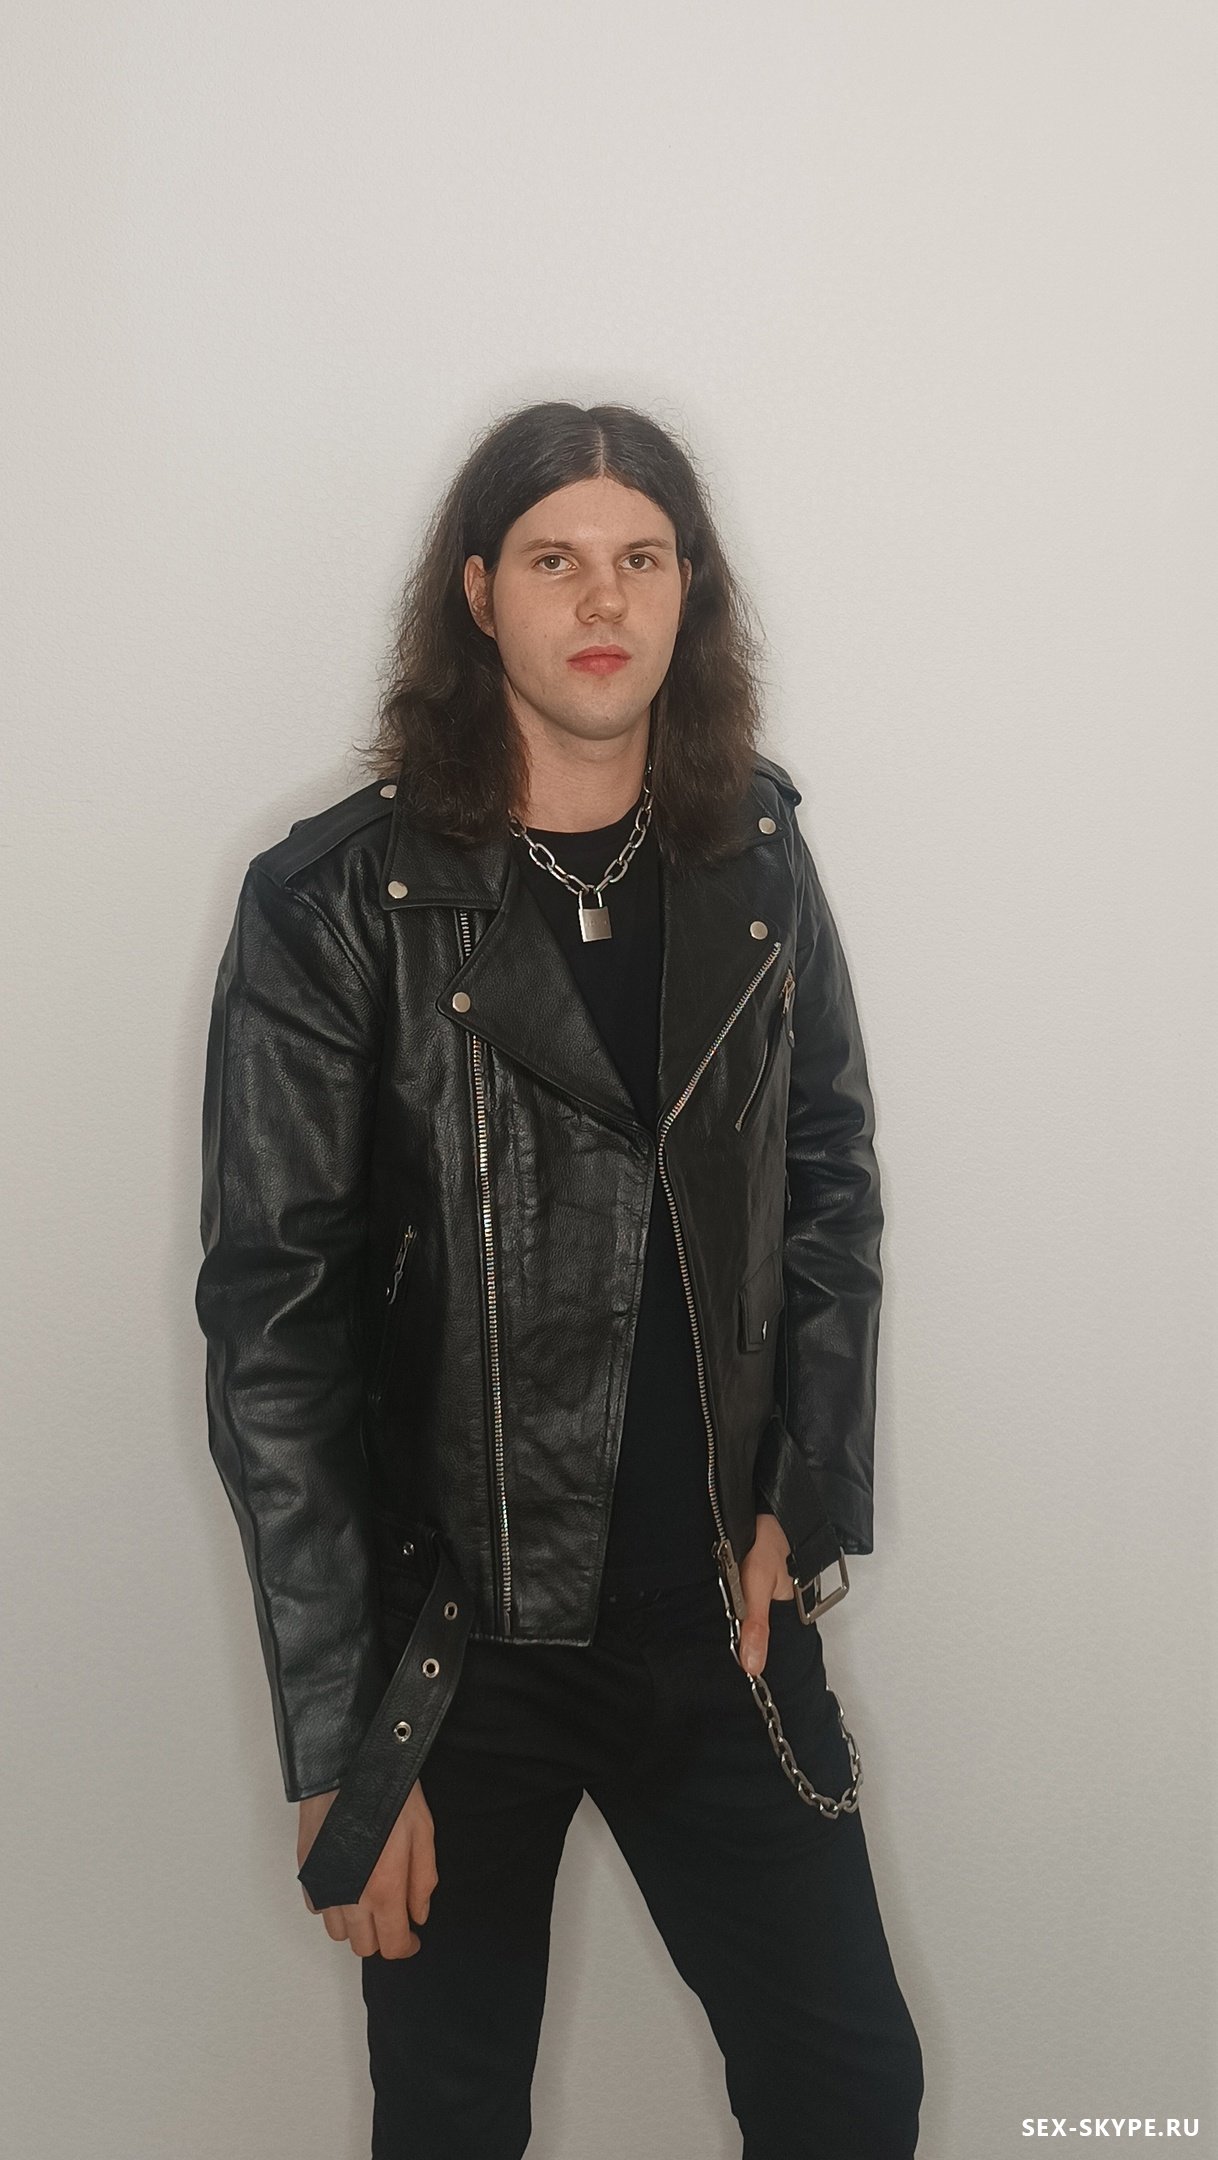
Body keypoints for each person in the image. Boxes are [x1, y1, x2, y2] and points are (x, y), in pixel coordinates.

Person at [194, 398, 924, 2157]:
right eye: (553, 560)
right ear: (478, 596)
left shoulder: (754, 856)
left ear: (687, 591)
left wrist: (802, 1499)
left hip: (720, 1627)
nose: (602, 599)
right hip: (452, 1662)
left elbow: (829, 1187)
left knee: (851, 2095)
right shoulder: (334, 903)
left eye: (640, 558)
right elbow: (275, 1330)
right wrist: (338, 1741)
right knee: (452, 2125)